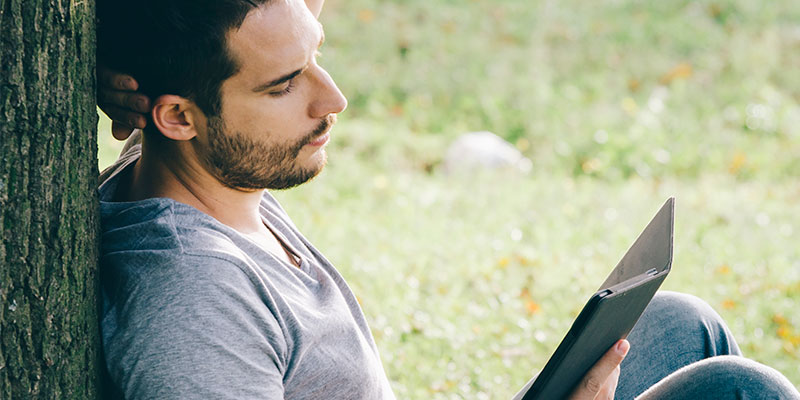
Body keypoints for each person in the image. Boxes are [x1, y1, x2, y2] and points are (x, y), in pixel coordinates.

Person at [96, 0, 800, 399]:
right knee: (743, 390)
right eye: (284, 85)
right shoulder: (193, 305)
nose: (332, 99)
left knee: (681, 323)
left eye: (317, 53)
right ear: (179, 117)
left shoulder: (197, 165)